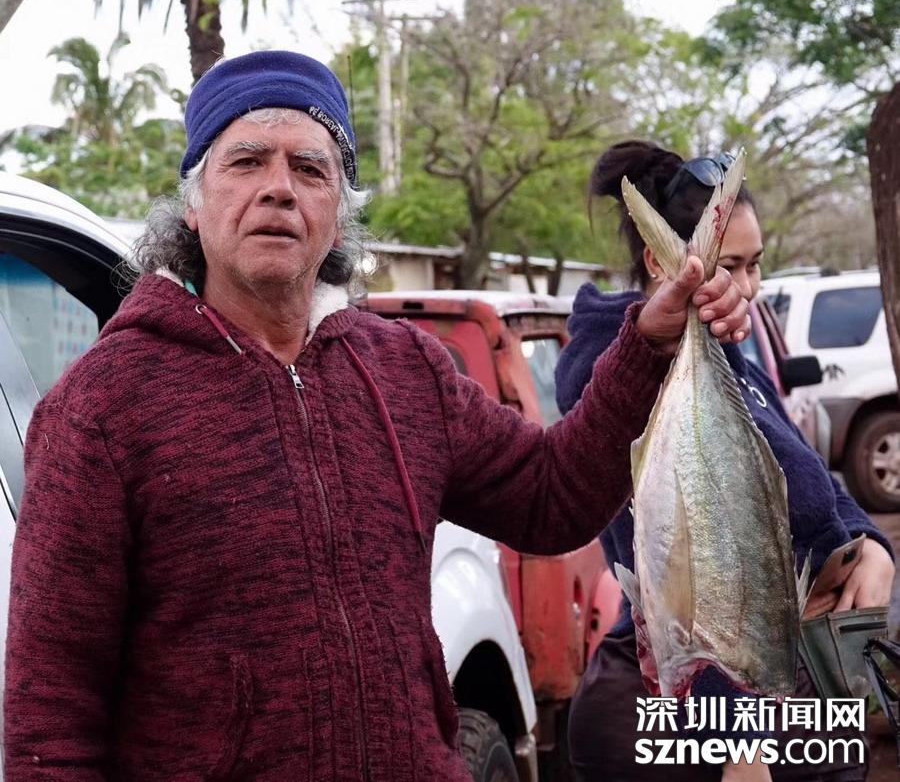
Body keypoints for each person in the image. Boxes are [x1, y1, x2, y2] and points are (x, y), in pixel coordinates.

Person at [2, 56, 750, 782]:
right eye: (246, 161)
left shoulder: (404, 368)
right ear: (193, 206)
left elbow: (552, 497)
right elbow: (49, 715)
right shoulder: (103, 407)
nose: (278, 189)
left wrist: (647, 344)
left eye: (310, 168)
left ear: (339, 216)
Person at [557, 140, 896, 782]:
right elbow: (696, 565)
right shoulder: (616, 373)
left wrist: (871, 546)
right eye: (728, 265)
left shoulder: (729, 357)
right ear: (661, 261)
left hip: (791, 685)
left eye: (755, 264)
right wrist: (739, 745)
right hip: (702, 714)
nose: (748, 287)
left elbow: (804, 478)